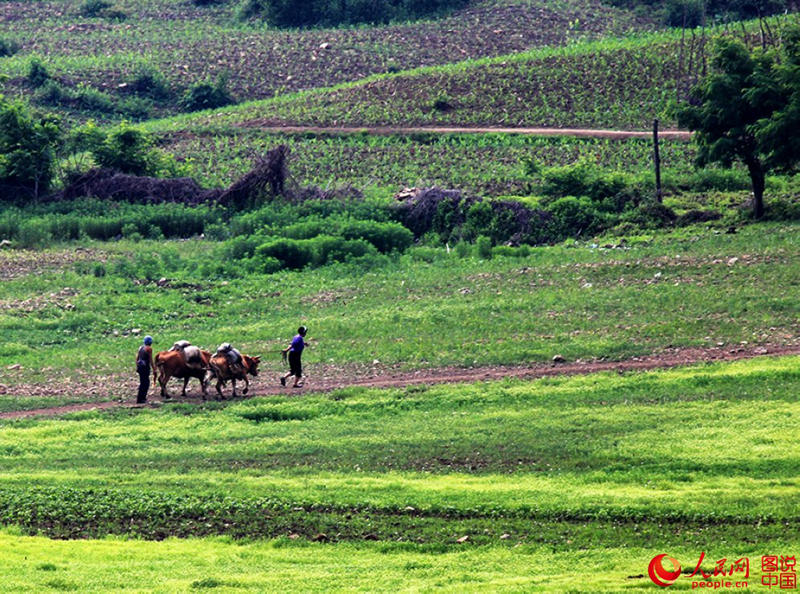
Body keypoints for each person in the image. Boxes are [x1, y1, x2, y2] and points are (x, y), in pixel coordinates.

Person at [136, 335, 155, 404]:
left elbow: (137, 358)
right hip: (145, 367)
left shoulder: (140, 348)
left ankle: (140, 398)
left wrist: (137, 366)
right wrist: (154, 369)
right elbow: (150, 360)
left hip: (140, 366)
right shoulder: (149, 349)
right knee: (146, 383)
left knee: (142, 382)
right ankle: (142, 399)